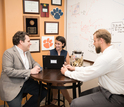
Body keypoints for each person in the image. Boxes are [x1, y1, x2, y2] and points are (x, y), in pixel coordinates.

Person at [61, 29, 124, 107]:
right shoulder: (113, 52)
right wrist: (75, 68)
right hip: (106, 89)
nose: (93, 44)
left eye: (94, 41)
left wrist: (66, 73)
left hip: (114, 97)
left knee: (75, 103)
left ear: (101, 40)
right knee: (82, 94)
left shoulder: (107, 58)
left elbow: (86, 76)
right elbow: (93, 69)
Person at [0, 31, 47, 107]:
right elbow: (9, 71)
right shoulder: (8, 53)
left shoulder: (27, 52)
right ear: (21, 42)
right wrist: (30, 71)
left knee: (43, 92)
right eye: (28, 41)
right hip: (13, 84)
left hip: (26, 82)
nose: (30, 43)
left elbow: (34, 62)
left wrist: (36, 66)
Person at [47, 36, 72, 105]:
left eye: (58, 44)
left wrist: (65, 64)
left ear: (63, 44)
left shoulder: (66, 52)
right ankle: (70, 102)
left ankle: (55, 99)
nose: (56, 45)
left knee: (58, 82)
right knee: (57, 82)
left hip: (61, 73)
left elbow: (68, 65)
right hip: (52, 73)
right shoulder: (50, 52)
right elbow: (47, 64)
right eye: (55, 43)